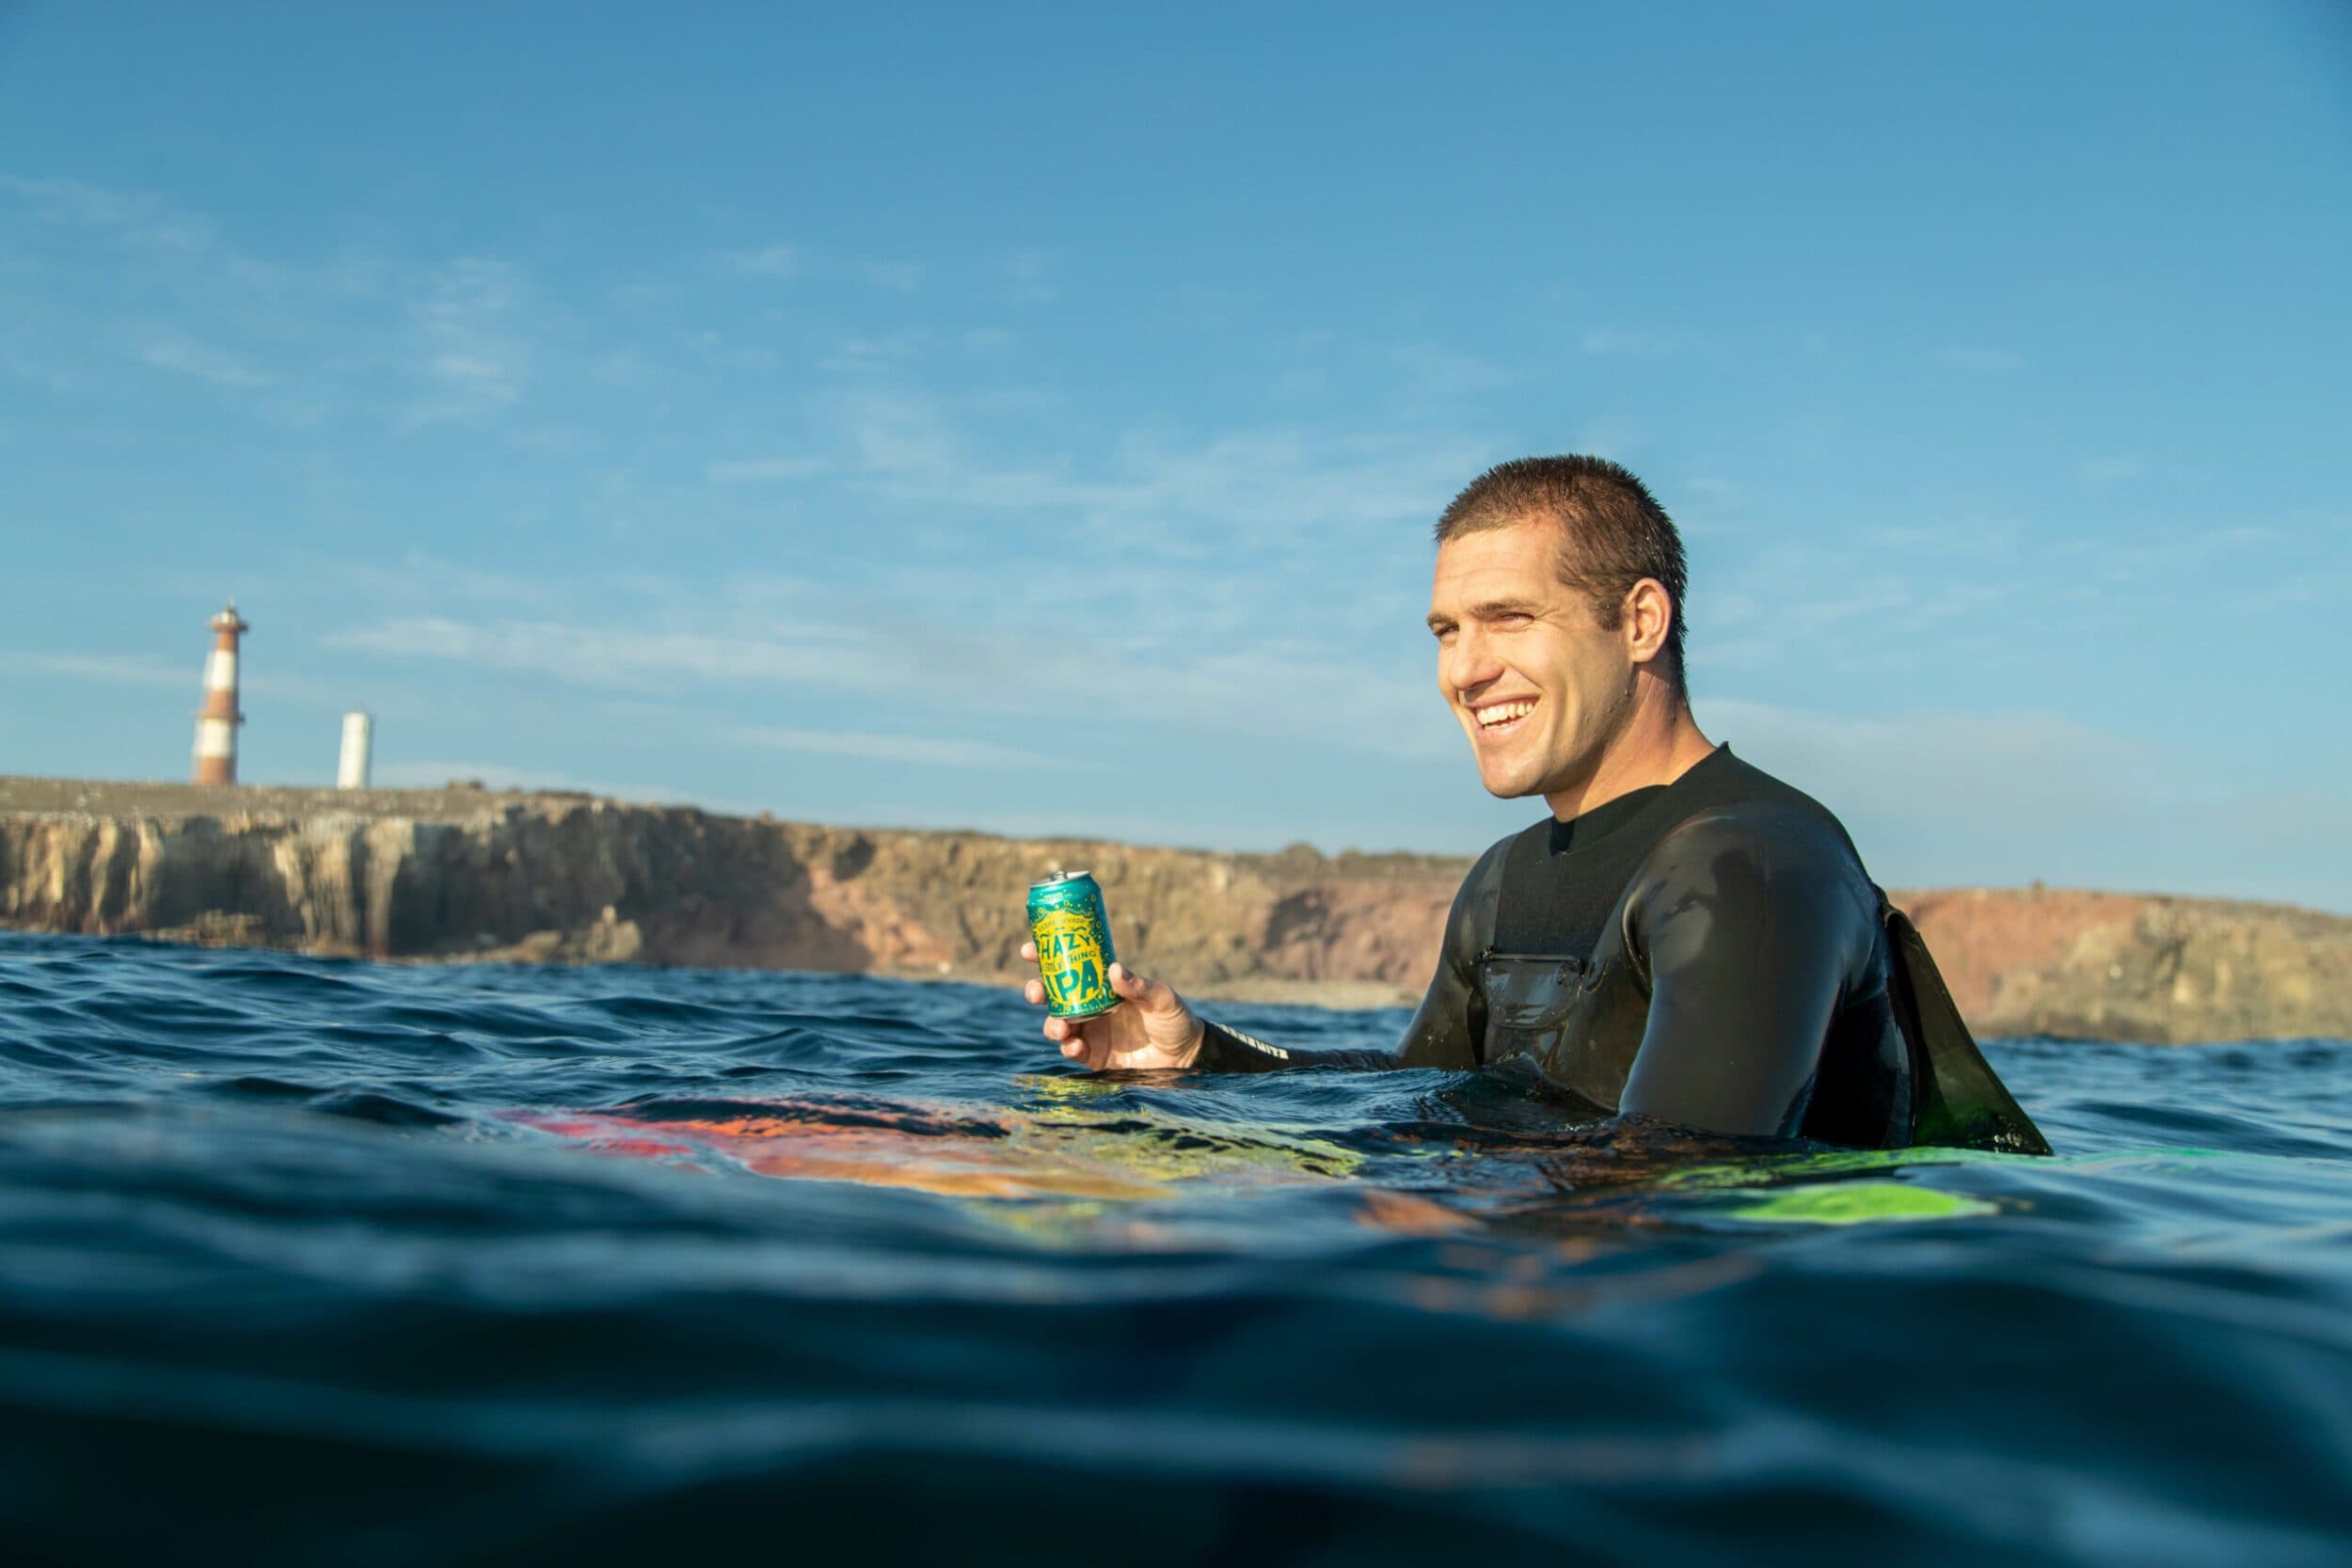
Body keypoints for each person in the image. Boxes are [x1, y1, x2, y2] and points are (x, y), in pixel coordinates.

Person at [1021, 456, 2046, 1154]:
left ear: (1639, 620)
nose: (1465, 670)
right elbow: (1412, 1092)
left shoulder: (1752, 864)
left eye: (1507, 617)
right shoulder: (1506, 878)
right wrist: (1201, 1058)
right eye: (1443, 630)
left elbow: (1681, 1181)